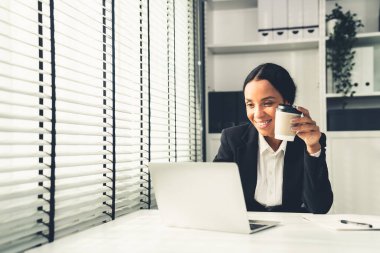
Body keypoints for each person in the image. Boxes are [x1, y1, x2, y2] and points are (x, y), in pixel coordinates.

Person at [214, 63, 333, 214]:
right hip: (248, 224)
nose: (257, 114)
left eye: (267, 103)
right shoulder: (232, 139)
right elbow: (217, 195)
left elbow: (319, 207)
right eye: (250, 104)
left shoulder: (307, 141)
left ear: (287, 104)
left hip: (292, 227)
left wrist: (313, 148)